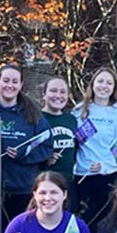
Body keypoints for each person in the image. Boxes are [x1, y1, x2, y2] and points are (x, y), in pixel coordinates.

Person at [0, 63, 53, 228]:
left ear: (21, 85)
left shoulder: (32, 114)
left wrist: (24, 155)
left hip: (24, 188)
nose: (10, 85)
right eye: (6, 80)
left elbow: (47, 145)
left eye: (15, 82)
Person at [72, 66, 117, 227]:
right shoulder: (79, 111)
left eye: (109, 83)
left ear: (114, 88)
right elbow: (73, 143)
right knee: (84, 223)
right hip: (83, 175)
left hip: (108, 176)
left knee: (106, 224)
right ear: (92, 85)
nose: (103, 86)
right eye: (100, 81)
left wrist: (105, 166)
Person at [41, 76, 78, 213]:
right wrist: (44, 157)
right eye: (53, 91)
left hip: (68, 184)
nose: (58, 95)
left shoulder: (71, 119)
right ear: (44, 95)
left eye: (63, 92)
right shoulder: (37, 119)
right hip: (46, 185)